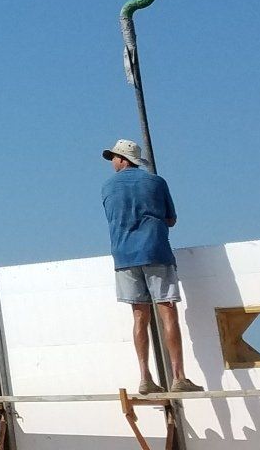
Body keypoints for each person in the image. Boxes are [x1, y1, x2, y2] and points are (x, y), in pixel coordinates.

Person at [101, 138, 200, 395]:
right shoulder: (156, 182)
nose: (112, 162)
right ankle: (178, 376)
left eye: (114, 157)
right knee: (168, 311)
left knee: (139, 316)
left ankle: (145, 377)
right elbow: (171, 220)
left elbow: (113, 216)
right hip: (155, 250)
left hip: (123, 255)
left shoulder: (107, 187)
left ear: (123, 159)